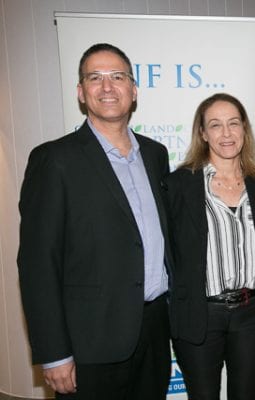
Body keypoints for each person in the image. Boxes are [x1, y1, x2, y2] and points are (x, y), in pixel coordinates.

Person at [17, 43, 172, 399]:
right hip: (90, 343)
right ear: (80, 91)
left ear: (133, 90)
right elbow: (38, 264)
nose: (107, 86)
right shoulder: (55, 160)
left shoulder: (155, 154)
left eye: (118, 76)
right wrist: (55, 353)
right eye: (95, 77)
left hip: (154, 334)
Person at [164, 93, 255, 400]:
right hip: (199, 315)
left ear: (244, 129)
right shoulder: (179, 185)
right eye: (215, 125)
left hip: (251, 315)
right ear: (203, 133)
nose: (226, 133)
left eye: (233, 123)